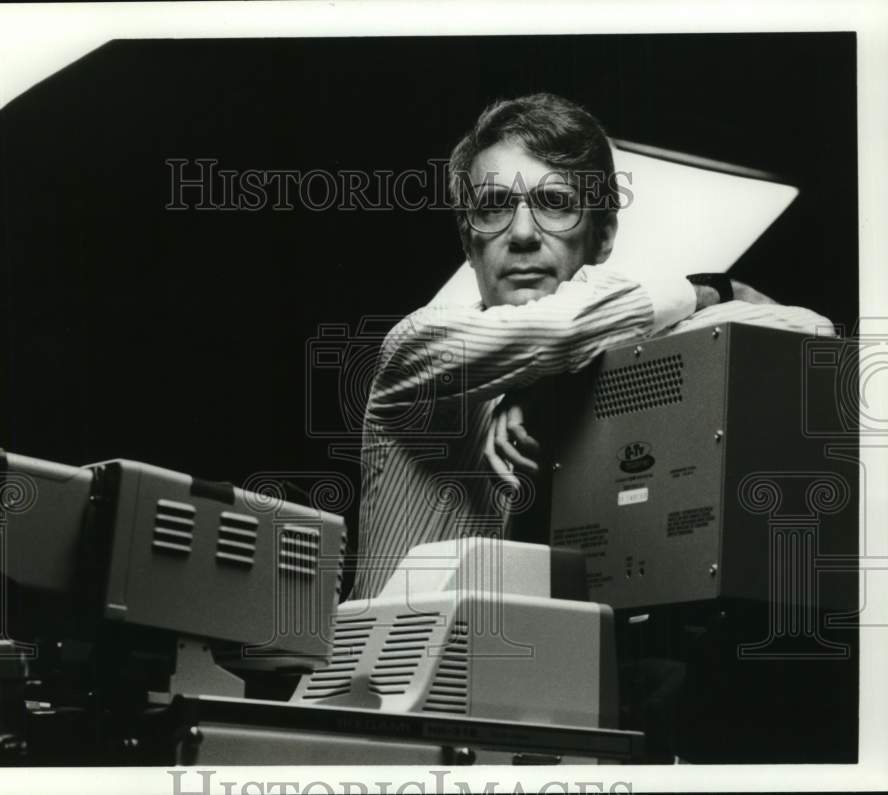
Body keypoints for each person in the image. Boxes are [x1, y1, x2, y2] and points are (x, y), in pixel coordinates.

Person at [348, 92, 832, 601]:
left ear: (602, 237)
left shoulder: (613, 346)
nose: (522, 234)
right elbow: (557, 332)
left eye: (554, 203)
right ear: (469, 243)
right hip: (388, 655)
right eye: (493, 207)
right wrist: (712, 289)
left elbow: (813, 333)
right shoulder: (418, 344)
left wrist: (553, 380)